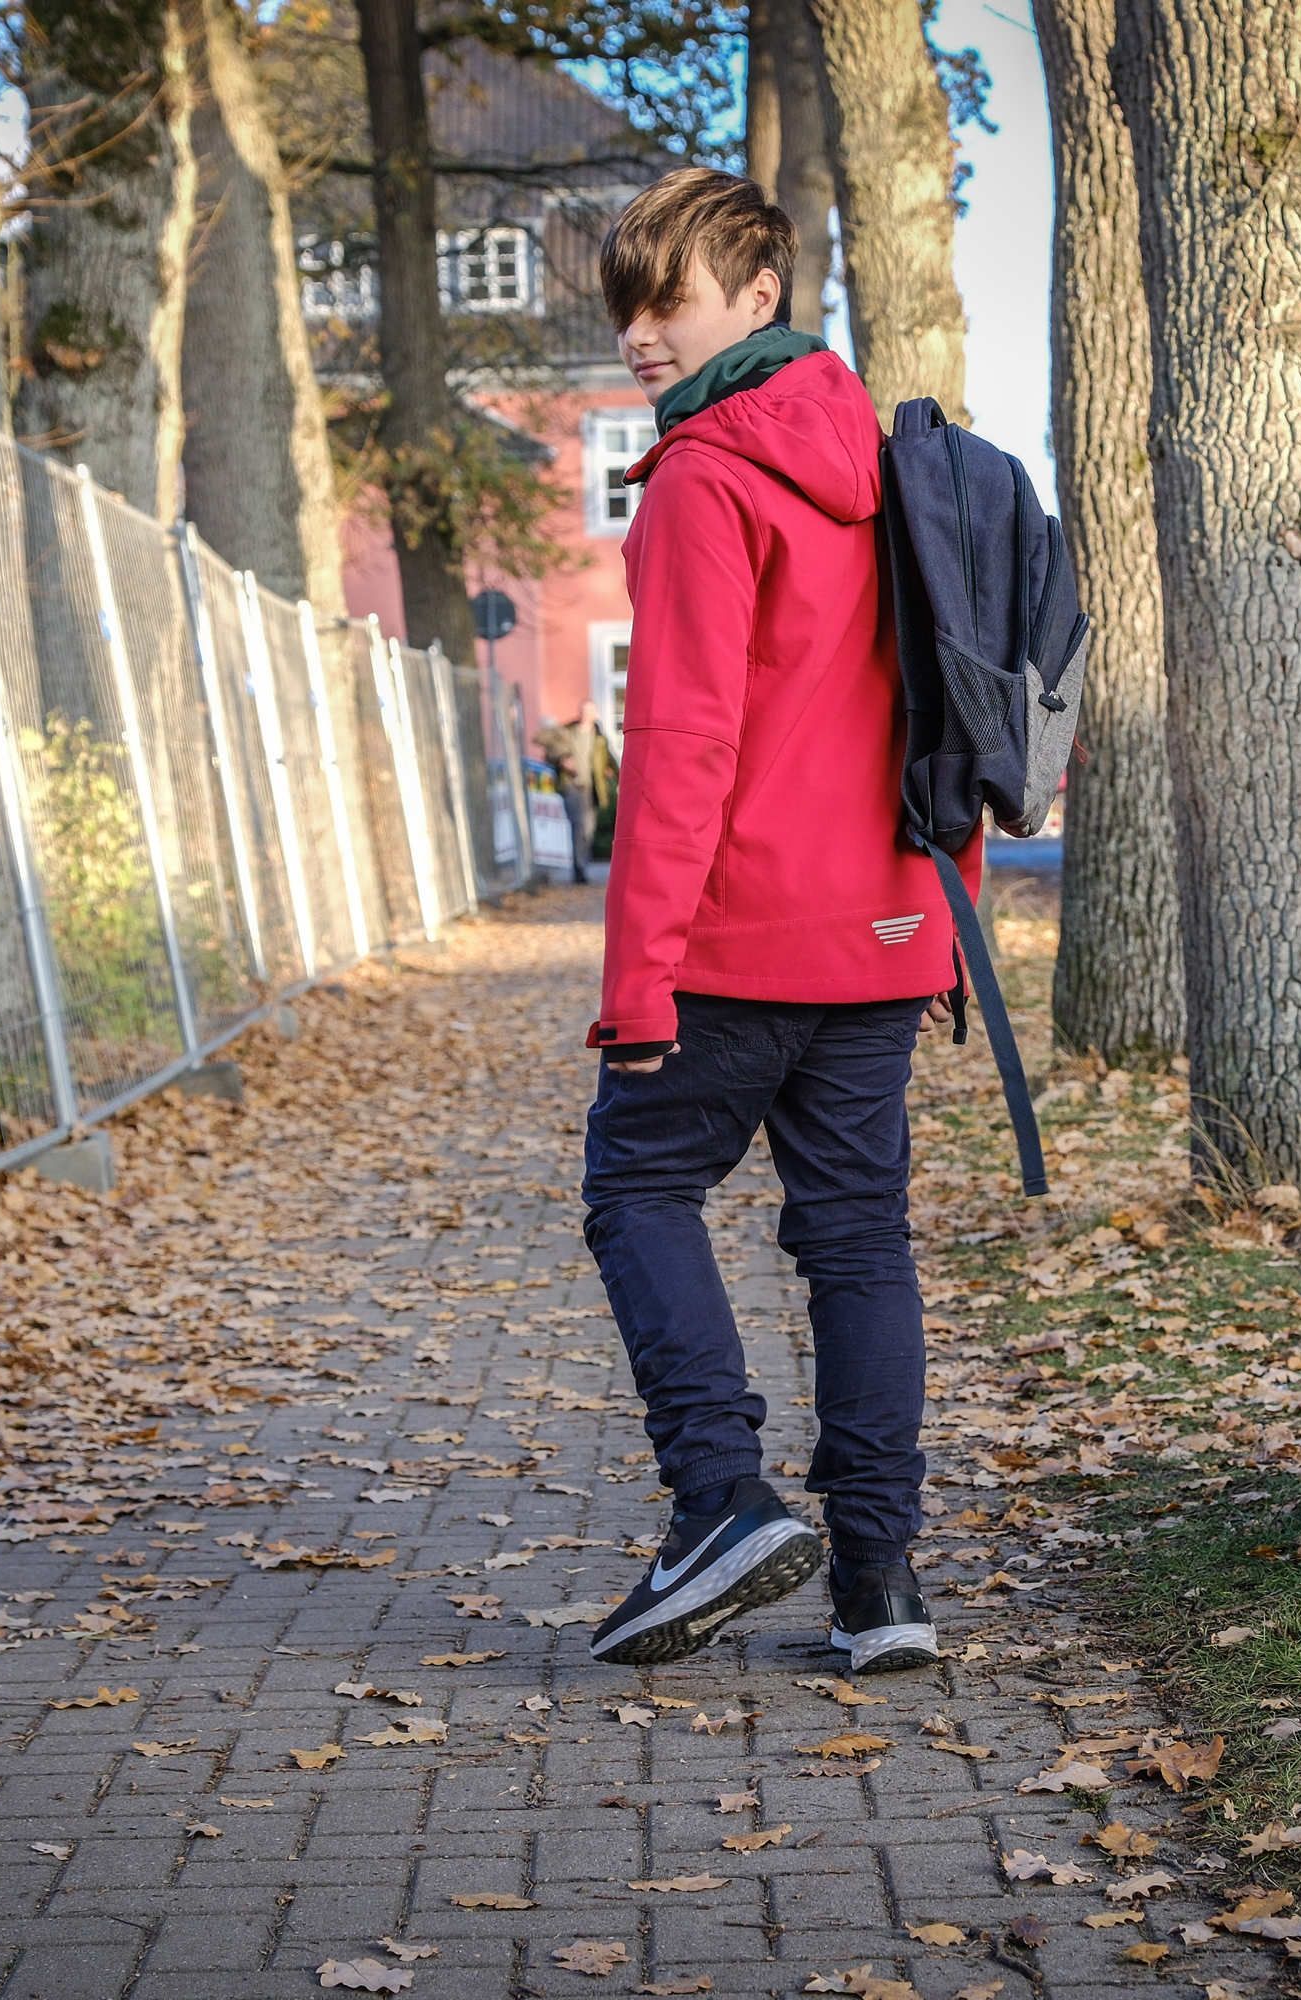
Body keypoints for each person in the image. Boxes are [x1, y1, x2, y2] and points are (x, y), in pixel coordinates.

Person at [577, 167, 977, 1675]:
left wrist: (639, 981)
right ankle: (881, 1584)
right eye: (625, 309)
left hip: (740, 938)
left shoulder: (704, 477)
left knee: (637, 1185)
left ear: (757, 296)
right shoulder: (894, 464)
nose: (639, 336)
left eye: (665, 302)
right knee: (858, 1240)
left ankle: (721, 1502)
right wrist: (939, 920)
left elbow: (682, 747)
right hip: (885, 932)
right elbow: (955, 711)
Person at [536, 702, 617, 884]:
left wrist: (618, 776)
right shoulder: (566, 732)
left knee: (588, 828)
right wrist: (562, 760)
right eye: (584, 711)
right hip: (572, 786)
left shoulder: (599, 737)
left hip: (592, 788)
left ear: (595, 714)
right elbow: (548, 751)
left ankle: (582, 864)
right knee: (579, 826)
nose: (586, 714)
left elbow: (610, 760)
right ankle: (579, 869)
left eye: (590, 711)